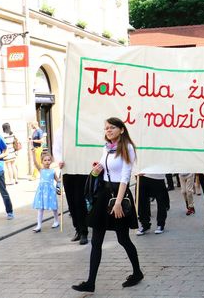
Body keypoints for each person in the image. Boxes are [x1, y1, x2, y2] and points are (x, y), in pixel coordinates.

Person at [72, 117, 142, 292]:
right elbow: (103, 166)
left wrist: (118, 203)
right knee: (96, 241)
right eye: (106, 128)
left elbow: (125, 176)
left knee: (123, 239)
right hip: (104, 195)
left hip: (119, 196)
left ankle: (137, 272)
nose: (108, 130)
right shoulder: (107, 148)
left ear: (122, 130)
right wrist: (97, 169)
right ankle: (90, 283)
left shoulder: (127, 147)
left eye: (112, 128)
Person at [55, 129, 90, 245]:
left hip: (81, 170)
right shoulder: (61, 131)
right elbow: (57, 149)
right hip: (68, 170)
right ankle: (78, 230)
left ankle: (84, 231)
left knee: (80, 201)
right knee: (71, 203)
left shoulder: (82, 129)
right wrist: (59, 160)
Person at [31, 152, 60, 232]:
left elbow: (57, 180)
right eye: (45, 160)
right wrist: (33, 153)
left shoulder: (52, 171)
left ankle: (56, 221)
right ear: (42, 161)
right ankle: (39, 225)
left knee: (54, 207)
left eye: (49, 160)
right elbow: (35, 162)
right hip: (42, 191)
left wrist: (60, 185)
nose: (47, 161)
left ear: (51, 161)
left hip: (50, 191)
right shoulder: (41, 170)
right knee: (40, 208)